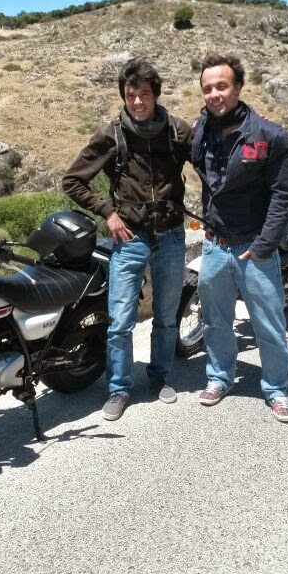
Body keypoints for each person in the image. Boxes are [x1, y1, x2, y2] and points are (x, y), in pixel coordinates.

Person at [63, 57, 192, 421]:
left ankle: (160, 376)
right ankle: (119, 388)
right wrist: (108, 212)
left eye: (144, 94)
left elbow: (212, 159)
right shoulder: (112, 135)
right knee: (120, 320)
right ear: (123, 95)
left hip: (171, 235)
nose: (137, 101)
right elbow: (73, 180)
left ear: (156, 95)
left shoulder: (177, 131)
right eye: (131, 94)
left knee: (166, 315)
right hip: (131, 237)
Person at [191, 52, 288, 423]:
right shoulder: (200, 132)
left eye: (222, 86)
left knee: (268, 324)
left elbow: (283, 196)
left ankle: (277, 388)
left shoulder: (270, 136)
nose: (214, 94)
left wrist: (264, 245)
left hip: (254, 248)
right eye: (208, 88)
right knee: (215, 320)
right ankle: (220, 377)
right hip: (214, 246)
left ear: (238, 86)